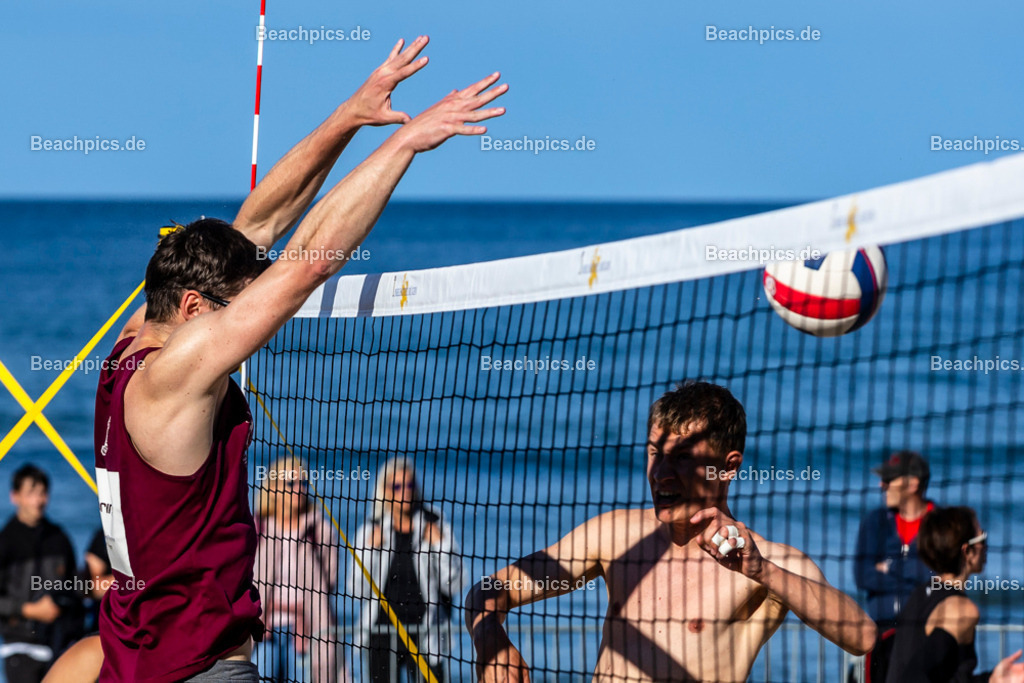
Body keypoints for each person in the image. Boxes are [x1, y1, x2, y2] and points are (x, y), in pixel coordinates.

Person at [91, 34, 507, 681]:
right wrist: (404, 144)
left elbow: (260, 224)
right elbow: (303, 269)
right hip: (197, 667)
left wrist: (351, 115)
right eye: (233, 310)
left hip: (139, 657)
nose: (243, 323)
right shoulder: (177, 371)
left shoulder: (136, 338)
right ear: (199, 309)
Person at [466, 381, 877, 683]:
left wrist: (762, 571)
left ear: (728, 466)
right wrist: (490, 639)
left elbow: (862, 635)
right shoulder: (614, 536)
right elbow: (488, 588)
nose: (660, 473)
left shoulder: (765, 563)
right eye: (654, 453)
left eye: (681, 458)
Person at [350, 456, 464, 682]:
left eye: (409, 485)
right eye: (397, 486)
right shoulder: (371, 530)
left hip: (426, 634)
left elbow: (455, 584)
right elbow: (356, 589)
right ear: (385, 490)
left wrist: (440, 546)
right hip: (381, 634)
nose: (405, 492)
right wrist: (369, 551)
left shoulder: (435, 525)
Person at [885, 506, 1024, 683]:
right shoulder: (961, 610)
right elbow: (912, 677)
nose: (987, 546)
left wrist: (991, 679)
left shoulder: (921, 594)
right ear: (967, 551)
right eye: (982, 538)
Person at [253, 456, 346, 682]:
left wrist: (303, 613)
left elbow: (330, 580)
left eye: (303, 483)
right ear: (273, 488)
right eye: (291, 483)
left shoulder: (319, 528)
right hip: (264, 630)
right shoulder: (258, 526)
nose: (299, 489)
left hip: (307, 630)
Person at [0, 465, 82, 682]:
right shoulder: (4, 542)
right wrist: (29, 610)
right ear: (14, 496)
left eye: (43, 493)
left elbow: (74, 587)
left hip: (60, 644)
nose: (38, 501)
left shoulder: (60, 538)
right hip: (20, 643)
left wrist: (61, 605)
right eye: (31, 494)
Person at [855, 450, 936, 632]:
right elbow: (862, 576)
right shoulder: (875, 521)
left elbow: (941, 578)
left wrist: (890, 567)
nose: (882, 485)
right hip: (882, 631)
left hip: (926, 631)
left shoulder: (942, 522)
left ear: (913, 483)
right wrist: (914, 574)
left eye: (890, 479)